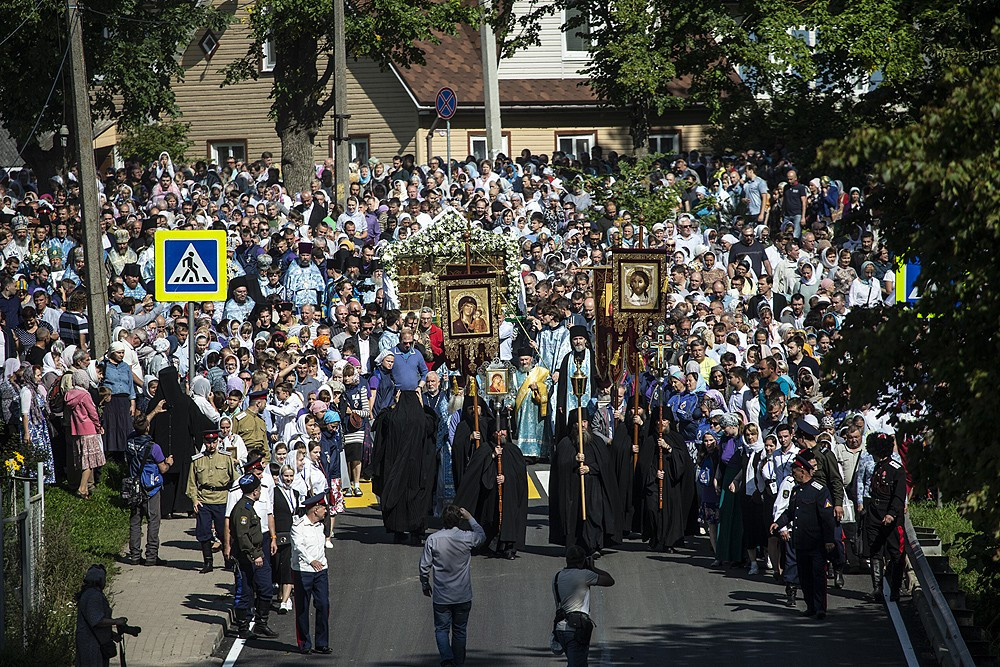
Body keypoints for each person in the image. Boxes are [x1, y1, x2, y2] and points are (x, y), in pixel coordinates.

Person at [770, 450, 836, 619]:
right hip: (801, 542)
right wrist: (779, 523)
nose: (793, 474)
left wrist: (829, 539)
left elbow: (827, 518)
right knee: (805, 577)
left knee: (817, 576)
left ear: (803, 471)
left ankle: (820, 608)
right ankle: (810, 606)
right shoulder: (797, 490)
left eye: (795, 471)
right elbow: (791, 513)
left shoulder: (819, 490)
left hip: (816, 541)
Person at [453, 410, 528, 559]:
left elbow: (520, 478)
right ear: (493, 433)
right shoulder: (484, 450)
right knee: (490, 520)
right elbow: (476, 474)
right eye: (499, 431)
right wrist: (492, 457)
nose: (502, 434)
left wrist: (507, 479)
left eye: (504, 430)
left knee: (509, 520)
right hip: (490, 497)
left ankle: (508, 548)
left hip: (509, 496)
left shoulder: (514, 451)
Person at [418, 505, 486, 667]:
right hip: (463, 595)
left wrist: (425, 583)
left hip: (442, 597)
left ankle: (447, 659)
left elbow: (424, 565)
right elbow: (482, 535)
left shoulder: (433, 539)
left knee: (441, 629)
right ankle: (459, 663)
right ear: (459, 521)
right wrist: (470, 518)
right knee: (460, 631)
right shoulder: (467, 537)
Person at [371, 390, 438, 543]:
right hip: (418, 469)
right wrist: (422, 407)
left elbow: (381, 420)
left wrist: (395, 404)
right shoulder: (423, 419)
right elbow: (433, 423)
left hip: (395, 467)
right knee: (417, 500)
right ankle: (416, 533)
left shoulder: (392, 418)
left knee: (398, 498)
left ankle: (398, 531)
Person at [229, 472, 279, 640]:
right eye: (258, 489)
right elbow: (243, 537)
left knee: (265, 588)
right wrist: (255, 555)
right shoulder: (243, 509)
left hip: (258, 552)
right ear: (255, 491)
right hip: (246, 557)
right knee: (245, 592)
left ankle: (261, 623)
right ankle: (243, 627)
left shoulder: (249, 507)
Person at [551, 545, 615, 666]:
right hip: (576, 630)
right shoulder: (585, 575)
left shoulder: (557, 577)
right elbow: (609, 581)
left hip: (560, 629)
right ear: (582, 561)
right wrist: (592, 567)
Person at [863, 432, 907, 602]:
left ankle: (895, 589)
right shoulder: (876, 467)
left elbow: (898, 495)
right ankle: (877, 589)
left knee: (896, 554)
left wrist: (891, 513)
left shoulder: (896, 470)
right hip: (874, 515)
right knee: (875, 552)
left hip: (891, 517)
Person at [187, 428, 238, 573]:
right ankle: (208, 562)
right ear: (204, 443)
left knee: (224, 532)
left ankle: (228, 560)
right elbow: (191, 483)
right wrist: (194, 500)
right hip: (204, 500)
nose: (212, 445)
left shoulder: (225, 457)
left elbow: (236, 480)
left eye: (214, 442)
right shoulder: (197, 460)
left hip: (222, 500)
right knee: (203, 532)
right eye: (208, 442)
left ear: (218, 442)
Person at [125, 413, 172, 566]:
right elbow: (163, 469)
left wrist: (152, 413)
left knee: (135, 521)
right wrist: (169, 462)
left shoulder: (130, 441)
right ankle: (151, 556)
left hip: (134, 487)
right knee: (153, 521)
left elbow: (140, 426)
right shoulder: (154, 447)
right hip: (151, 488)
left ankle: (134, 556)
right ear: (148, 427)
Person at [291, 493, 333, 655]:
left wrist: (320, 562)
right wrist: (311, 561)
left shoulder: (320, 526)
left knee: (323, 604)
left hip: (321, 570)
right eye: (323, 508)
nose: (325, 511)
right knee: (302, 607)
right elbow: (298, 546)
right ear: (315, 510)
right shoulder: (298, 526)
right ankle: (304, 643)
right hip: (303, 571)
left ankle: (322, 643)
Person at [75, 564, 130, 667]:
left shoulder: (89, 593)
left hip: (92, 643)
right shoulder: (93, 596)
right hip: (91, 646)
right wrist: (116, 621)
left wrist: (111, 634)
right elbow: (97, 621)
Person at [65, 369, 105, 499]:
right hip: (89, 430)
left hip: (76, 430)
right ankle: (82, 488)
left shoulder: (69, 394)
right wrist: (98, 427)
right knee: (89, 462)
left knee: (81, 460)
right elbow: (93, 413)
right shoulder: (85, 395)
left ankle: (84, 489)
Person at [512, 347, 551, 460]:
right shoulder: (516, 375)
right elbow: (512, 392)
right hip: (523, 410)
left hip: (537, 408)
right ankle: (526, 454)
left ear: (532, 359)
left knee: (540, 430)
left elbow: (549, 385)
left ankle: (541, 454)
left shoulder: (541, 372)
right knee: (524, 430)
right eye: (522, 360)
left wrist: (538, 386)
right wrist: (509, 403)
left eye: (526, 359)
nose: (524, 362)